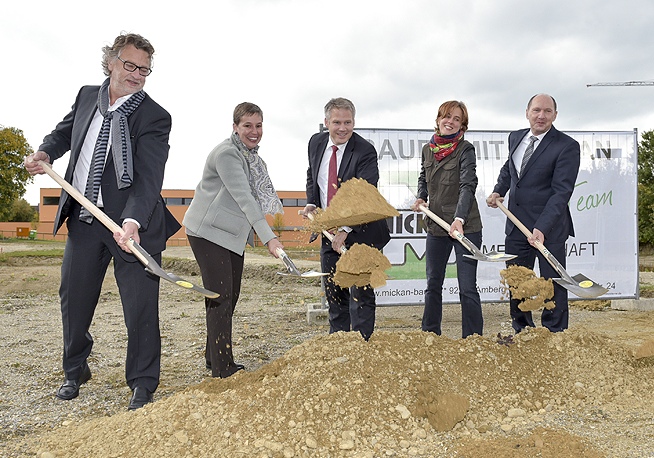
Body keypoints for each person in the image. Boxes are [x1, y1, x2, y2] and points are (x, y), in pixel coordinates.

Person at [23, 33, 180, 410]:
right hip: (84, 218)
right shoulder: (85, 96)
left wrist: (132, 221)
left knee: (141, 308)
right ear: (110, 62)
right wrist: (46, 150)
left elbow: (149, 177)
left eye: (145, 69)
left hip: (131, 226)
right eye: (130, 65)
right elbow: (64, 134)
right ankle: (75, 369)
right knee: (73, 299)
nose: (137, 74)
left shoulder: (155, 116)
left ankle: (143, 383)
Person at [183, 102, 285, 378]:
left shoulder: (250, 156)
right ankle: (222, 367)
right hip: (207, 232)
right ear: (235, 127)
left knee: (231, 295)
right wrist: (270, 239)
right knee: (220, 296)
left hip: (229, 234)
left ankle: (212, 354)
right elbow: (246, 199)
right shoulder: (228, 154)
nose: (254, 132)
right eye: (247, 126)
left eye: (259, 125)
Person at [486, 93, 580, 333]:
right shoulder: (516, 137)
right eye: (537, 110)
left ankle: (554, 333)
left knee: (552, 284)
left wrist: (542, 227)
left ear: (555, 115)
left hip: (549, 229)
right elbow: (510, 169)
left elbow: (561, 192)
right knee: (517, 281)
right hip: (517, 226)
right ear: (527, 112)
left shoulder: (567, 146)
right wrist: (499, 191)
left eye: (548, 111)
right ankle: (523, 330)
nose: (541, 116)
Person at [301, 98, 390, 341]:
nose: (343, 128)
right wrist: (313, 203)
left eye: (348, 122)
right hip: (329, 230)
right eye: (337, 122)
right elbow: (312, 175)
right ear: (326, 122)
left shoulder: (364, 151)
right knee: (334, 290)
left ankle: (361, 347)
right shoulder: (316, 142)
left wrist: (346, 229)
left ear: (354, 122)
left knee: (360, 293)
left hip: (363, 232)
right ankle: (338, 343)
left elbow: (365, 193)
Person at [411, 101, 483, 338]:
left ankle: (473, 340)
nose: (450, 122)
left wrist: (459, 219)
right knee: (433, 284)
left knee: (467, 287)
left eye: (457, 119)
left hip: (465, 227)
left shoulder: (466, 150)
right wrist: (421, 197)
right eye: (447, 116)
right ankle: (430, 334)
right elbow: (424, 177)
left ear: (463, 125)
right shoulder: (427, 149)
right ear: (439, 119)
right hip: (437, 227)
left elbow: (467, 185)